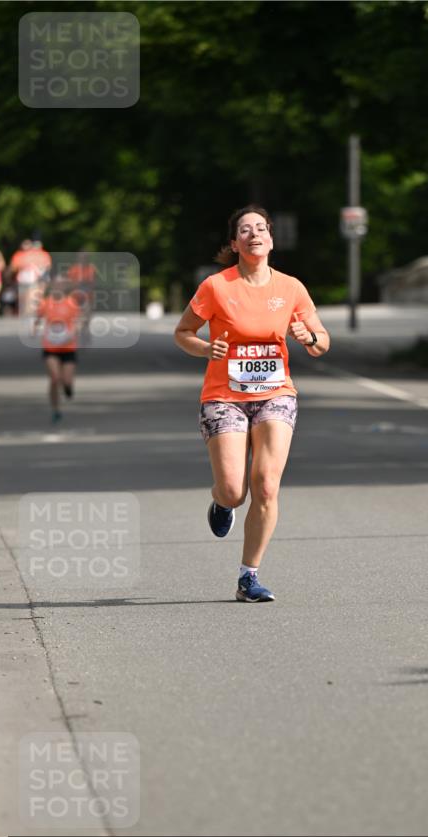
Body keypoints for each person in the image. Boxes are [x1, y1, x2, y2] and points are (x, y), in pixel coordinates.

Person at [174, 205, 330, 602]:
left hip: (276, 395)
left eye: (261, 228)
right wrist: (206, 347)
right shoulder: (216, 286)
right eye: (245, 230)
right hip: (224, 396)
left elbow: (322, 342)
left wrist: (307, 337)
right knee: (233, 491)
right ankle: (220, 503)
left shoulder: (291, 288)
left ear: (271, 240)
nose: (254, 234)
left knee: (265, 486)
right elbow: (183, 332)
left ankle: (249, 577)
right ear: (234, 243)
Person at [33, 275, 81, 423]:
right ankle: (56, 409)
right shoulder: (45, 303)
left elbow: (78, 323)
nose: (59, 287)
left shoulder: (71, 304)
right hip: (51, 347)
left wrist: (72, 333)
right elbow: (38, 320)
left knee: (66, 380)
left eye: (62, 285)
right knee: (55, 378)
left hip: (68, 347)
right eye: (56, 284)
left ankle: (68, 388)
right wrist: (36, 330)